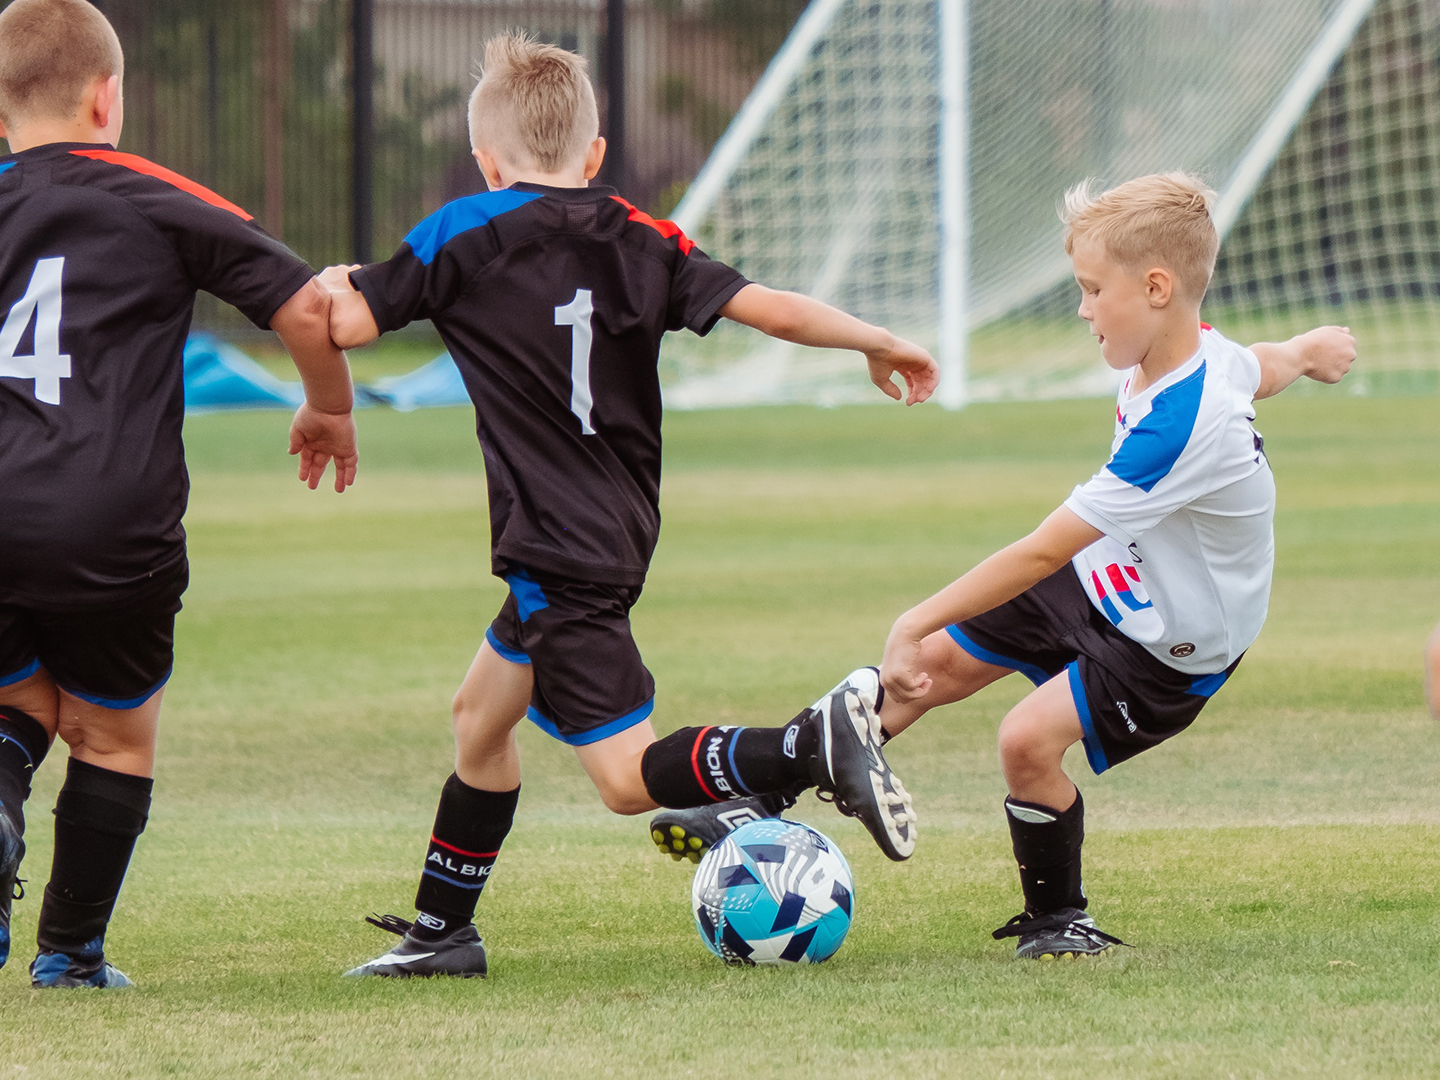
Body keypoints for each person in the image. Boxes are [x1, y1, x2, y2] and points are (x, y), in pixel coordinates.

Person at [325, 32, 933, 979]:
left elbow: (350, 321)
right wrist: (877, 339)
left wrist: (329, 285)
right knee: (479, 719)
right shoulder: (644, 237)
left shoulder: (463, 230)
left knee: (621, 781)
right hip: (614, 528)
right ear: (596, 156)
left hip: (551, 547)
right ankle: (444, 931)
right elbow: (766, 305)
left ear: (486, 162)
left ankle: (805, 745)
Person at [655, 172, 1356, 960]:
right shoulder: (1197, 358)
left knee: (1025, 740)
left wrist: (912, 617)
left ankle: (1061, 919)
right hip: (1111, 571)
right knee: (936, 666)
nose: (1084, 309)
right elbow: (1256, 364)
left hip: (1174, 643)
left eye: (1094, 290)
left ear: (1157, 288)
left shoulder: (1184, 426)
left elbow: (1040, 550)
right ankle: (760, 797)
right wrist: (1308, 350)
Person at [0, 0, 358, 988]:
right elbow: (305, 306)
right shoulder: (158, 196)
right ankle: (68, 957)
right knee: (113, 730)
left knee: (15, 700)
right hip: (112, 516)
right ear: (107, 96)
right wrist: (328, 408)